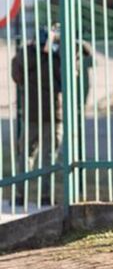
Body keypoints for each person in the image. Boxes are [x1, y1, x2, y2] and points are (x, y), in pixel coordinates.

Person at [11, 23, 91, 206]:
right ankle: (45, 196)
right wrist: (63, 45)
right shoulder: (59, 58)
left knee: (25, 155)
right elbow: (70, 77)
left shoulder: (24, 55)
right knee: (48, 156)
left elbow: (16, 76)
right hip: (54, 115)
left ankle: (20, 195)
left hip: (31, 113)